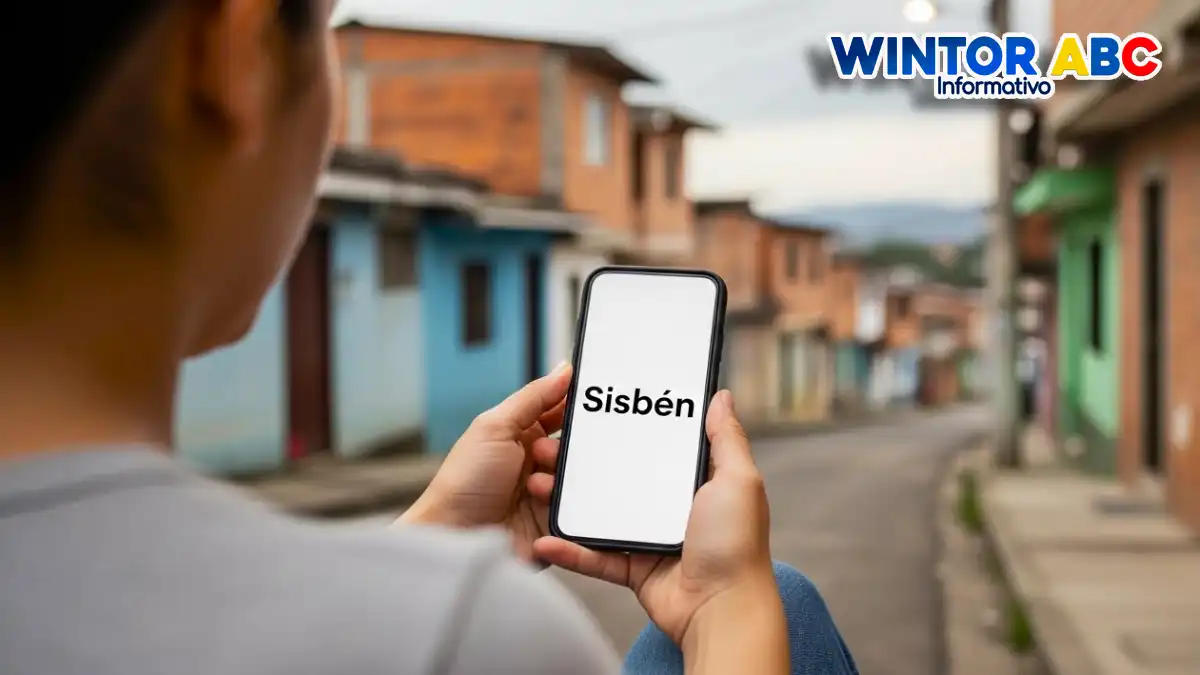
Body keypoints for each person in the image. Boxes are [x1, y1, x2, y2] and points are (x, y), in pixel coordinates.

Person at [0, 1, 858, 674]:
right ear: (235, 55)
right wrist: (728, 613)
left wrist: (435, 533)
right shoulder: (468, 638)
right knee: (784, 602)